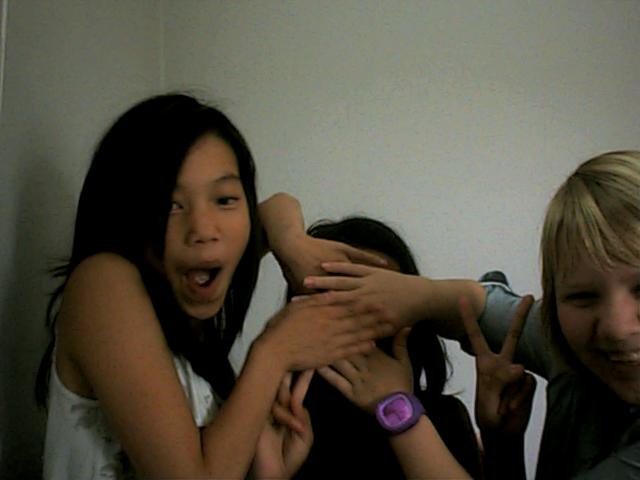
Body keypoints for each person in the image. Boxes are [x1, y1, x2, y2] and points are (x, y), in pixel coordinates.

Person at [34, 93, 393, 480]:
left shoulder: (179, 315)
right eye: (170, 205)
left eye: (225, 199)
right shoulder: (103, 281)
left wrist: (269, 473)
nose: (203, 230)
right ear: (124, 212)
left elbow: (278, 206)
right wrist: (274, 353)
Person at [300, 150, 640, 478]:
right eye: (582, 296)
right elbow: (476, 305)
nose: (616, 328)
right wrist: (502, 445)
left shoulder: (445, 421)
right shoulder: (284, 429)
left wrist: (397, 409)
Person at [289, 216, 484, 479]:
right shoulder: (279, 426)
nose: (364, 323)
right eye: (343, 297)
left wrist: (396, 407)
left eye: (381, 305)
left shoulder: (444, 419)